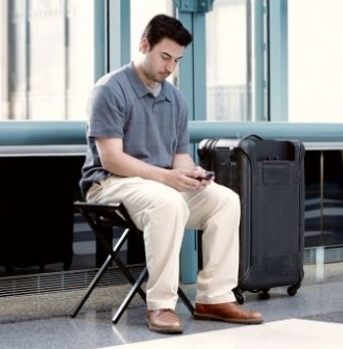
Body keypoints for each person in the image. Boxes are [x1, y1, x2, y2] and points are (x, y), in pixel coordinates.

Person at [79, 14, 263, 334]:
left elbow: (178, 156)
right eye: (165, 57)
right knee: (168, 201)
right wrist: (167, 178)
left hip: (156, 186)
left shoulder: (174, 98)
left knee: (225, 200)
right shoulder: (110, 89)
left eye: (177, 60)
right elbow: (111, 159)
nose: (170, 67)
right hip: (109, 184)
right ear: (144, 45)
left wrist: (193, 174)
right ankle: (161, 305)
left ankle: (214, 298)